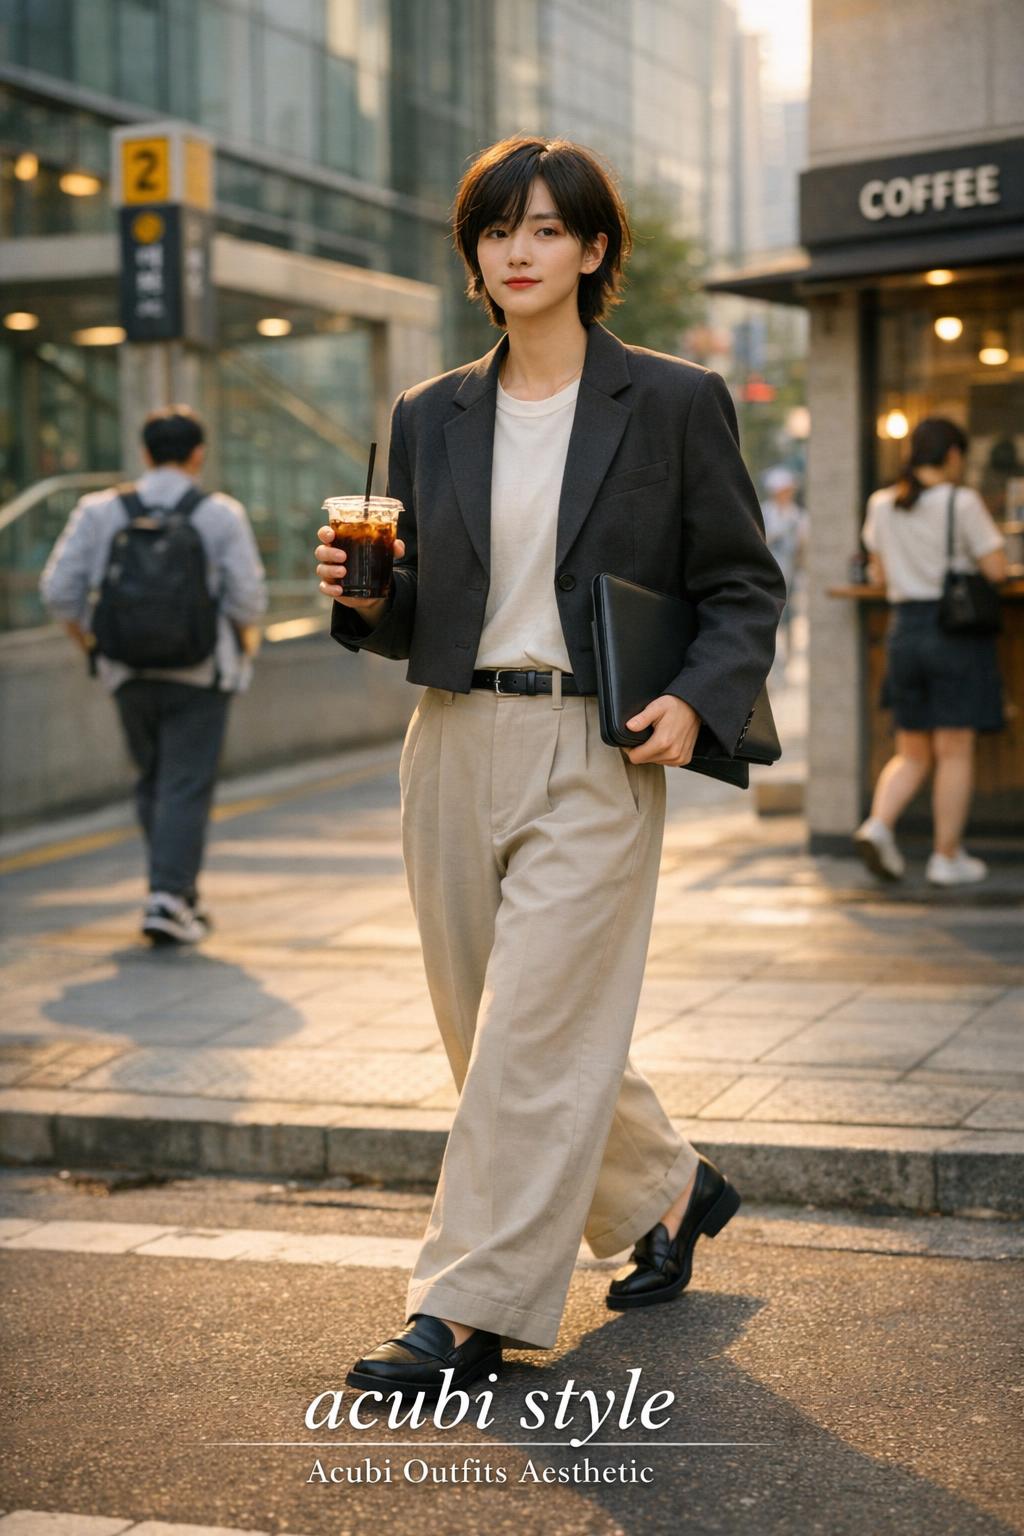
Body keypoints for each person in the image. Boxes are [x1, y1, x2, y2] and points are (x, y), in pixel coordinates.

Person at [317, 135, 785, 1399]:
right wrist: (365, 601)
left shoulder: (674, 400)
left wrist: (698, 698)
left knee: (528, 1035)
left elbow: (742, 585)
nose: (516, 251)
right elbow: (420, 609)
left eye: (542, 228)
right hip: (451, 739)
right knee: (493, 1027)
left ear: (591, 249)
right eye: (494, 230)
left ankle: (466, 1308)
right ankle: (668, 1189)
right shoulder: (430, 412)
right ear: (472, 257)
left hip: (595, 746)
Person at [40, 406, 267, 943]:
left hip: (127, 672)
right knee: (184, 785)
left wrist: (94, 645)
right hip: (201, 674)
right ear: (198, 455)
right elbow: (248, 601)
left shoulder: (98, 511)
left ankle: (177, 894)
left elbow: (58, 592)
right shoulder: (220, 514)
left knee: (152, 780)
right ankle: (167, 898)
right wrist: (243, 651)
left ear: (144, 452)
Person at [853, 417, 1007, 887]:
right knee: (954, 751)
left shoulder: (881, 503)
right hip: (952, 634)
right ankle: (946, 857)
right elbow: (997, 570)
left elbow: (880, 576)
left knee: (912, 751)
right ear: (954, 455)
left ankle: (878, 825)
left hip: (903, 633)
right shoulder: (961, 502)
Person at [760, 465, 806, 670]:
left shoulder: (797, 515)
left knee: (789, 619)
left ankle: (788, 662)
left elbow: (802, 547)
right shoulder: (764, 512)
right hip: (766, 576)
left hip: (791, 575)